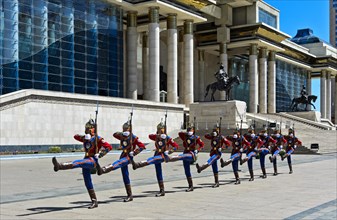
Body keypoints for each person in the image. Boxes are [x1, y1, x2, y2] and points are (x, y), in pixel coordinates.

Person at [52, 119, 112, 209]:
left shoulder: (98, 138)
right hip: (86, 158)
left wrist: (99, 154)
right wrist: (85, 137)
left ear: (94, 129)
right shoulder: (86, 138)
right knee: (87, 181)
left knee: (78, 162)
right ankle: (94, 201)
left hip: (92, 160)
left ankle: (59, 166)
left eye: (90, 128)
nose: (88, 129)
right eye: (87, 128)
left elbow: (109, 147)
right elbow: (75, 136)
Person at [97, 121, 145, 202]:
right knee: (125, 175)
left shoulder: (134, 137)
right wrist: (122, 133)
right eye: (123, 129)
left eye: (126, 129)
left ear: (130, 129)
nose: (124, 130)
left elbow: (142, 146)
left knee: (117, 163)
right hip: (123, 154)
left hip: (128, 156)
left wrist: (134, 152)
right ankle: (129, 195)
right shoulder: (122, 136)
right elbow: (115, 134)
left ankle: (104, 170)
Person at [131, 122, 179, 197]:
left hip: (163, 154)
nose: (160, 131)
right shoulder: (157, 137)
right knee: (158, 172)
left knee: (151, 160)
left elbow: (176, 146)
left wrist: (169, 151)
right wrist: (158, 135)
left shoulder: (168, 138)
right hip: (157, 153)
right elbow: (150, 136)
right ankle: (162, 190)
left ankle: (138, 165)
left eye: (161, 130)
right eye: (159, 130)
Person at [169, 124, 204, 192]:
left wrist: (198, 150)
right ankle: (190, 186)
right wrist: (187, 133)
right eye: (188, 130)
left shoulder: (196, 137)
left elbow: (202, 145)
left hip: (191, 153)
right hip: (185, 152)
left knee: (182, 157)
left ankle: (172, 158)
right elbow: (180, 133)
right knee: (186, 170)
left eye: (190, 130)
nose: (189, 131)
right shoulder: (185, 136)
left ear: (193, 130)